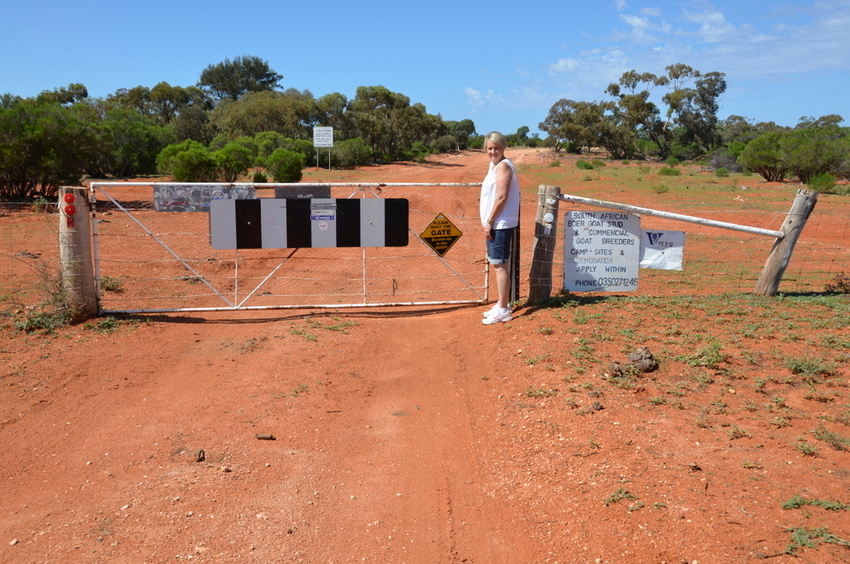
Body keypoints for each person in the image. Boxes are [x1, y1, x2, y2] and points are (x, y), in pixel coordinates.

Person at [479, 131, 520, 325]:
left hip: (499, 224)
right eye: (490, 148)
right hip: (497, 223)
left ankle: (504, 309)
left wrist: (490, 221)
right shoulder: (494, 166)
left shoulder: (503, 166)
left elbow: (502, 197)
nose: (493, 151)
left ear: (503, 148)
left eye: (496, 148)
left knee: (500, 265)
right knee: (498, 264)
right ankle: (501, 303)